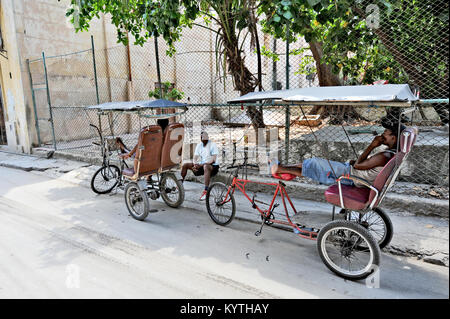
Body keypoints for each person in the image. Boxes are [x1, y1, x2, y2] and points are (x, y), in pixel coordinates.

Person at [270, 118, 406, 187]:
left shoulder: (385, 156)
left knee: (315, 162)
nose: (382, 135)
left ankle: (280, 168)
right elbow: (362, 164)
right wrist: (358, 162)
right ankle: (285, 169)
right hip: (352, 173)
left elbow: (359, 166)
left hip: (351, 176)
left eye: (386, 134)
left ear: (393, 138)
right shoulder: (389, 154)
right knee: (314, 165)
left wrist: (372, 145)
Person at [181, 131, 220, 200]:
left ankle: (206, 191)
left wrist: (201, 165)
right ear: (200, 138)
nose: (204, 139)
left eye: (205, 137)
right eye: (202, 137)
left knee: (206, 166)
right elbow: (195, 157)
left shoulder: (213, 145)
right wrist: (195, 164)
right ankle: (180, 185)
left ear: (208, 138)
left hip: (213, 167)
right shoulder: (199, 145)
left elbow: (213, 160)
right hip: (201, 165)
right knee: (185, 165)